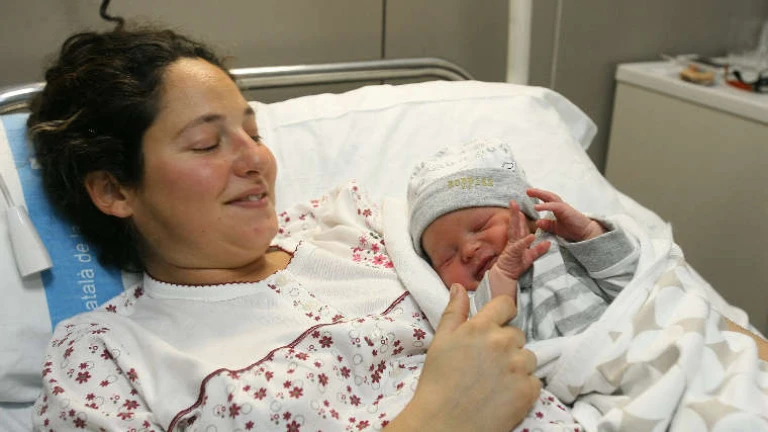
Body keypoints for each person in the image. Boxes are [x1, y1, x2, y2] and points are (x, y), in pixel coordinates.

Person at [26, 26, 583, 431]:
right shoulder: (103, 361)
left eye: (253, 133)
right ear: (114, 190)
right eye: (206, 143)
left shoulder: (353, 227)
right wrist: (436, 420)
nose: (256, 160)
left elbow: (557, 288)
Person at [407, 139, 641, 340]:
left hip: (630, 341)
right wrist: (504, 276)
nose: (468, 250)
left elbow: (634, 284)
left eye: (481, 226)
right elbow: (490, 343)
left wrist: (588, 233)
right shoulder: (469, 303)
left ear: (527, 213)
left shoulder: (567, 243)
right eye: (447, 257)